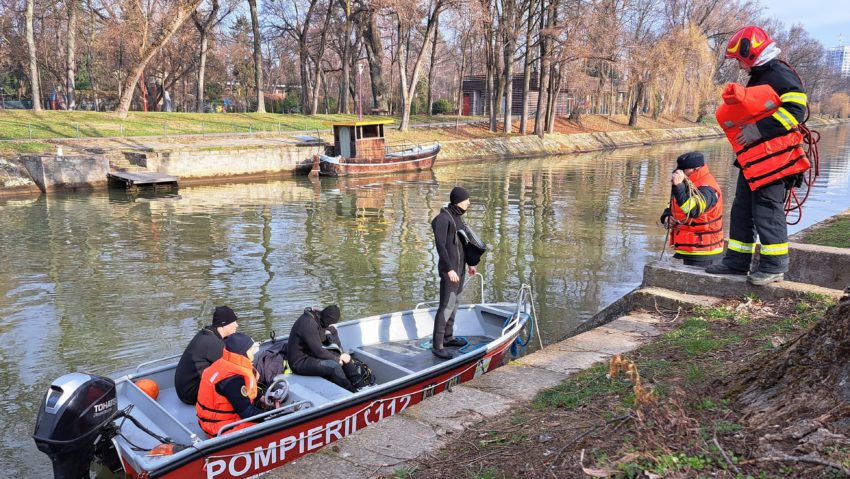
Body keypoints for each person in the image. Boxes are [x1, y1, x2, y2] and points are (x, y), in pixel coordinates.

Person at [707, 25, 808, 286]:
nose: (739, 66)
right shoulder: (761, 75)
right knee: (741, 208)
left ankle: (774, 266)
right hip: (754, 160)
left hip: (774, 161)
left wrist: (759, 130)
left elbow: (796, 110)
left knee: (767, 210)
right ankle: (737, 262)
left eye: (739, 60)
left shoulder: (779, 73)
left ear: (749, 52)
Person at [430, 186, 477, 359]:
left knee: (455, 303)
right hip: (450, 271)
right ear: (458, 201)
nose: (469, 202)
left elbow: (465, 245)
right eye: (467, 200)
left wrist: (471, 264)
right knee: (446, 305)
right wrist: (449, 269)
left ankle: (448, 337)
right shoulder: (443, 219)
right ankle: (438, 345)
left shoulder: (458, 218)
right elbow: (441, 246)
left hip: (460, 270)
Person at [659, 152, 724, 267]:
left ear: (696, 168)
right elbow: (674, 205)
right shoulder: (687, 183)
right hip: (686, 249)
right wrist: (667, 216)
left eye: (684, 170)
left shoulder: (708, 188)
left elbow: (694, 210)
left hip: (704, 252)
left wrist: (678, 187)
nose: (680, 173)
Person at [195, 333, 264, 436]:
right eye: (250, 349)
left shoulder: (223, 364)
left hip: (208, 422)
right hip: (220, 427)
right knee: (268, 423)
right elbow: (247, 413)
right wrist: (271, 415)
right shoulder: (232, 379)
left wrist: (260, 397)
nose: (253, 352)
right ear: (243, 353)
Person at [174, 306, 239, 405]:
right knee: (232, 379)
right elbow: (234, 367)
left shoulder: (207, 333)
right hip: (190, 394)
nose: (236, 325)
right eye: (233, 322)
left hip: (183, 389)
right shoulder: (213, 343)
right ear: (224, 324)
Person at [287, 305, 356, 391]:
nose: (329, 325)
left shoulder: (318, 316)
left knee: (344, 358)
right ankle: (351, 391)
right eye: (330, 323)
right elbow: (318, 351)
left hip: (310, 353)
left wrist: (341, 353)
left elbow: (332, 331)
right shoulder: (308, 324)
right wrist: (337, 359)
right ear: (327, 319)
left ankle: (360, 384)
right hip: (299, 362)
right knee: (333, 366)